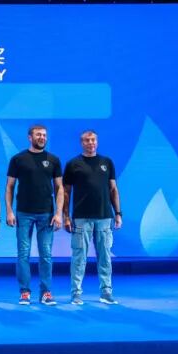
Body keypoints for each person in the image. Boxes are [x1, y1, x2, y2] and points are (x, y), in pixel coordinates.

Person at [6, 124, 64, 306]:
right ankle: (24, 292)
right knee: (23, 254)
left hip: (46, 214)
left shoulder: (53, 160)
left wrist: (58, 213)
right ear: (29, 137)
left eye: (44, 135)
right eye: (38, 135)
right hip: (23, 214)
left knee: (46, 254)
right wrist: (9, 211)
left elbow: (59, 188)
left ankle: (46, 292)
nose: (42, 138)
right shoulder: (18, 159)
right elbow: (9, 187)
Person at [63, 130, 122, 305]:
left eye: (93, 140)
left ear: (97, 142)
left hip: (104, 218)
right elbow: (66, 192)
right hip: (81, 218)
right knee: (79, 257)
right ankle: (76, 293)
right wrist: (66, 216)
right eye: (87, 140)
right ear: (82, 143)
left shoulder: (107, 162)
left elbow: (113, 189)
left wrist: (118, 213)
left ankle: (106, 292)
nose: (91, 143)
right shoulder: (73, 164)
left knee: (105, 257)